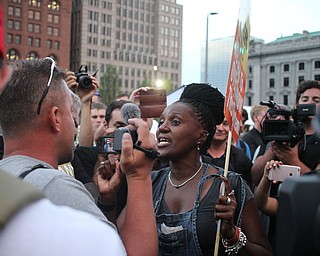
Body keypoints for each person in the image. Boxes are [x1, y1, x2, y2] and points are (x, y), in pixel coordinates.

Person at [0, 58, 157, 255]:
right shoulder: (57, 187)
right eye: (72, 115)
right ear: (56, 118)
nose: (76, 126)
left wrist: (107, 200)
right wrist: (139, 176)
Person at [139, 83, 272, 255]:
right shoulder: (149, 182)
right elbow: (118, 240)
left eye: (175, 122)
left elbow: (265, 252)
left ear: (201, 136)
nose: (162, 128)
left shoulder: (228, 185)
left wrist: (232, 234)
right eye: (162, 121)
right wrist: (109, 198)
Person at [203, 117, 253, 190]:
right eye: (217, 124)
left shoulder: (239, 156)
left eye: (225, 124)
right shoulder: (197, 154)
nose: (220, 128)